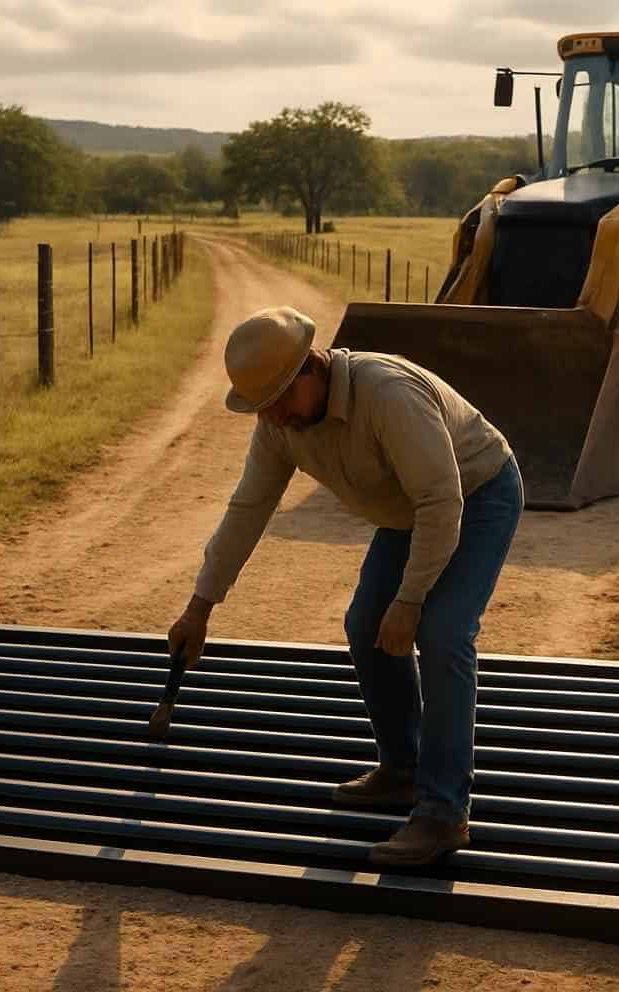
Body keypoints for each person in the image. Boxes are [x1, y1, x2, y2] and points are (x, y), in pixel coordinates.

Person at [167, 305, 523, 868]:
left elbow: (441, 501)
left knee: (443, 632)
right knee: (365, 623)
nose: (275, 417)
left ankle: (442, 813)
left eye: (280, 400)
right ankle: (403, 769)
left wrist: (410, 599)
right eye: (263, 407)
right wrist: (199, 608)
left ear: (312, 367)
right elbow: (247, 510)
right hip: (410, 510)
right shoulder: (279, 424)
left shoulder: (388, 395)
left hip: (475, 494)